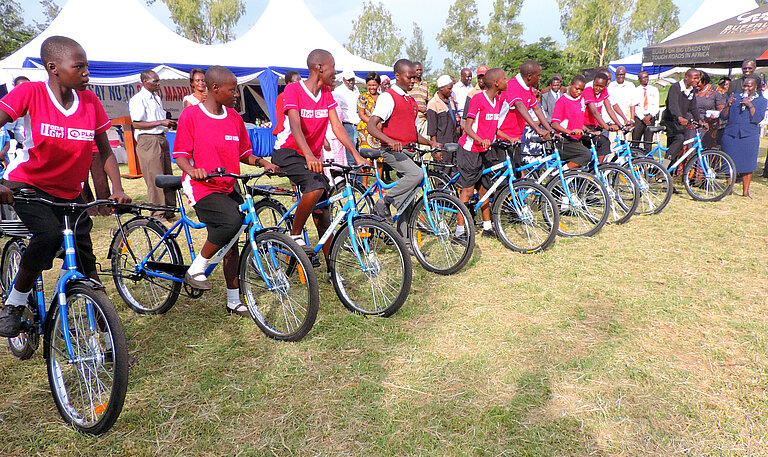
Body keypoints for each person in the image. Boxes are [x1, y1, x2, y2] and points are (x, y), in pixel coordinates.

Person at [0, 36, 131, 337]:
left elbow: (106, 150)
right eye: (79, 66)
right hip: (29, 186)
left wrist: (117, 187)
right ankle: (14, 303)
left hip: (71, 194)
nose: (87, 72)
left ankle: (109, 342)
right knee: (47, 236)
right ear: (53, 67)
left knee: (89, 270)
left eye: (87, 66)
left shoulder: (90, 102)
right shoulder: (30, 92)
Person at [173, 66, 279, 313]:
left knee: (234, 239)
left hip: (227, 184)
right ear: (214, 89)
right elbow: (180, 155)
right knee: (231, 222)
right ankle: (196, 269)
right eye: (233, 90)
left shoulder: (234, 118)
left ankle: (233, 301)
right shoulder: (191, 116)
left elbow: (244, 153)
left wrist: (263, 162)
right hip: (201, 186)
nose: (236, 95)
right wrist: (192, 169)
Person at [272, 49, 368, 269]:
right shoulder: (293, 90)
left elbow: (336, 126)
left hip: (310, 156)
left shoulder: (326, 93)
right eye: (333, 66)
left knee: (323, 214)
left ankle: (333, 270)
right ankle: (295, 236)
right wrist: (307, 154)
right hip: (288, 151)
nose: (335, 72)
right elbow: (295, 125)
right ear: (319, 68)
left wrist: (356, 155)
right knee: (315, 186)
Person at [367, 58, 440, 219]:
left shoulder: (411, 101)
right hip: (391, 151)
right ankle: (384, 202)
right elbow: (371, 126)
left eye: (414, 77)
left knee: (408, 200)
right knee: (417, 174)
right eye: (409, 77)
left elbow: (412, 133)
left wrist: (430, 142)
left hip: (408, 151)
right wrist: (390, 141)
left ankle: (404, 240)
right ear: (397, 76)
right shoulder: (388, 97)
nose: (413, 81)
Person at [456, 68, 514, 239]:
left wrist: (510, 138)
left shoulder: (498, 101)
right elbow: (467, 127)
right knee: (467, 190)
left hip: (485, 150)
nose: (507, 81)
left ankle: (487, 227)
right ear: (496, 83)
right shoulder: (478, 99)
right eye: (504, 78)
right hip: (470, 149)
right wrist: (480, 139)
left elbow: (493, 128)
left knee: (485, 189)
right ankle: (459, 232)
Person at [129, 69, 177, 223]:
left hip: (161, 138)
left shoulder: (156, 97)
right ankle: (157, 215)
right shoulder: (139, 99)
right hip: (148, 140)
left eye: (158, 81)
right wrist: (161, 122)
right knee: (155, 178)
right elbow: (136, 123)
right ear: (144, 82)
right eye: (154, 81)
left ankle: (170, 211)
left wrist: (165, 124)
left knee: (167, 176)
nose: (158, 84)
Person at [721, 75, 766, 198]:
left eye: (749, 85)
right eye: (745, 85)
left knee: (748, 163)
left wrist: (750, 105)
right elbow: (723, 116)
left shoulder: (762, 101)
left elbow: (757, 118)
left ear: (755, 87)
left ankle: (745, 191)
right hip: (731, 134)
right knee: (728, 162)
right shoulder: (735, 97)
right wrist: (729, 105)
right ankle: (728, 188)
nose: (746, 88)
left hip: (749, 135)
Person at [498, 60, 552, 143]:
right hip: (503, 137)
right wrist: (538, 129)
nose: (540, 78)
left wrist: (550, 131)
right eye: (538, 75)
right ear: (529, 76)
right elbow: (519, 105)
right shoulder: (512, 85)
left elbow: (536, 108)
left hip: (516, 136)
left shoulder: (528, 88)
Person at [550, 75, 594, 169]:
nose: (579, 92)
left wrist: (590, 131)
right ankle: (559, 174)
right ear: (570, 85)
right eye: (577, 89)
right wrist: (569, 131)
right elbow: (554, 123)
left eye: (582, 90)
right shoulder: (562, 101)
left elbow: (578, 123)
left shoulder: (580, 100)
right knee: (586, 155)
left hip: (575, 139)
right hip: (564, 140)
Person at [661, 68, 701, 165]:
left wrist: (699, 120)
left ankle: (666, 173)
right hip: (670, 121)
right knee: (679, 139)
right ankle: (664, 167)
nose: (697, 80)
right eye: (695, 78)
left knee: (674, 147)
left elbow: (693, 107)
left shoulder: (691, 90)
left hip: (680, 122)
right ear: (686, 77)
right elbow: (672, 105)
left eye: (698, 78)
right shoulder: (675, 87)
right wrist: (679, 117)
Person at [582, 72, 622, 160]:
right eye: (596, 85)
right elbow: (594, 112)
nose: (597, 88)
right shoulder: (588, 91)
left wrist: (619, 124)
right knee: (604, 142)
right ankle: (599, 169)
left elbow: (609, 109)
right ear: (593, 83)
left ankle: (595, 168)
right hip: (584, 125)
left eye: (601, 86)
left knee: (601, 147)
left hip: (595, 125)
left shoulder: (604, 92)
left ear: (605, 86)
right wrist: (607, 127)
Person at [427, 75, 460, 174]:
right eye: (449, 89)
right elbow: (432, 131)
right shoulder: (433, 104)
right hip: (442, 145)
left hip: (453, 144)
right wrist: (436, 150)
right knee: (442, 174)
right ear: (441, 88)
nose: (451, 91)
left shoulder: (451, 101)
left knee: (455, 173)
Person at [332, 69, 361, 167]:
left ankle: (359, 181)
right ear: (344, 79)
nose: (351, 82)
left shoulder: (356, 89)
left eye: (352, 80)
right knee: (351, 157)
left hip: (358, 125)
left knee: (360, 155)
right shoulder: (338, 91)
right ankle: (352, 180)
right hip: (348, 125)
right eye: (348, 80)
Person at [629, 70, 660, 152]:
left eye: (646, 77)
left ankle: (648, 162)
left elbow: (656, 106)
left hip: (650, 118)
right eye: (643, 78)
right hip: (639, 118)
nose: (645, 79)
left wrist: (650, 116)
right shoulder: (635, 91)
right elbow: (634, 106)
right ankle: (635, 160)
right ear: (639, 79)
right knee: (635, 141)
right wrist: (643, 118)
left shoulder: (654, 90)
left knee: (648, 142)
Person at [695, 71, 727, 149]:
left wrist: (715, 115)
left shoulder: (716, 91)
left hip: (708, 126)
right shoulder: (691, 90)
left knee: (706, 149)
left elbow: (722, 108)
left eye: (698, 82)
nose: (696, 84)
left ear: (704, 81)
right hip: (694, 125)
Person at [272, 70, 302, 137]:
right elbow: (280, 115)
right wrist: (282, 130)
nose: (300, 84)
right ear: (289, 83)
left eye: (301, 81)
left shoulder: (302, 96)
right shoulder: (282, 96)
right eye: (297, 82)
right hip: (286, 132)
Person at [356, 71, 381, 150]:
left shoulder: (383, 97)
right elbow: (361, 115)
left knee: (380, 157)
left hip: (380, 131)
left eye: (374, 85)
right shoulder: (363, 97)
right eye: (369, 85)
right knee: (367, 157)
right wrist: (374, 123)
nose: (371, 87)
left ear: (378, 85)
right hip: (366, 130)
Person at [408, 61, 430, 138]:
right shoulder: (410, 84)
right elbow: (407, 102)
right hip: (413, 119)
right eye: (417, 70)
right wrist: (419, 108)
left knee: (424, 145)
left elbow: (428, 101)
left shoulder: (425, 84)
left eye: (420, 70)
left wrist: (427, 110)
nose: (419, 72)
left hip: (424, 119)